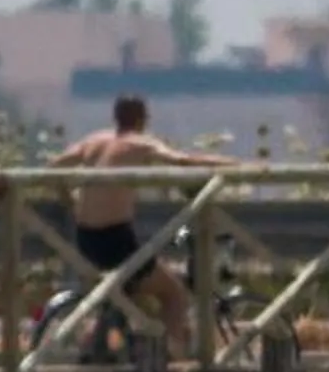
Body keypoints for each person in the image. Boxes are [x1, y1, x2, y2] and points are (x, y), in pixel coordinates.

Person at [48, 95, 237, 351]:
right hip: (116, 239)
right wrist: (232, 165)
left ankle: (107, 348)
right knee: (175, 296)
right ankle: (170, 361)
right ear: (141, 118)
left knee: (122, 295)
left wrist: (71, 205)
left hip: (86, 237)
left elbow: (54, 167)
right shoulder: (139, 143)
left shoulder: (94, 141)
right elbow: (181, 161)